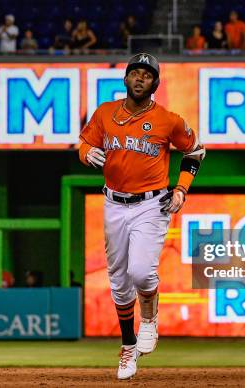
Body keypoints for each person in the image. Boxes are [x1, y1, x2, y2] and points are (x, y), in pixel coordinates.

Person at [78, 53, 205, 380]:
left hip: (152, 204)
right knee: (119, 284)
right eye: (134, 72)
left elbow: (195, 151)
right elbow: (85, 143)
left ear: (155, 83)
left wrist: (181, 189)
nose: (139, 78)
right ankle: (128, 346)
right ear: (126, 79)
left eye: (146, 75)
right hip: (114, 204)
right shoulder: (106, 113)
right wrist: (85, 153)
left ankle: (149, 319)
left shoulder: (168, 120)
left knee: (141, 272)